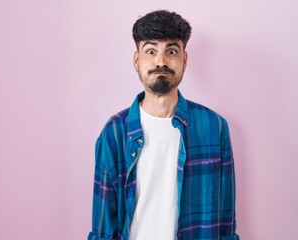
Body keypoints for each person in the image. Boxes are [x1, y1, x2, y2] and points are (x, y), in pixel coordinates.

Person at [88, 10, 239, 240]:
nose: (161, 61)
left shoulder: (214, 128)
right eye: (151, 51)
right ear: (137, 60)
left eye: (171, 51)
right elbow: (102, 230)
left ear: (184, 60)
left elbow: (226, 225)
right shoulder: (115, 133)